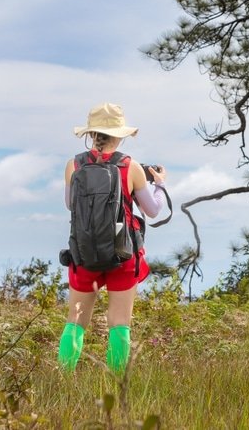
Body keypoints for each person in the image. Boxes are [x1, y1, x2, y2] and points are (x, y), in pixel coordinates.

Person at [57, 102, 168, 374]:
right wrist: (160, 185)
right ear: (119, 135)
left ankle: (62, 378)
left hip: (84, 253)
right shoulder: (131, 168)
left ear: (91, 134)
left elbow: (71, 205)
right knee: (120, 323)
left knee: (76, 320)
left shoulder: (73, 165)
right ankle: (116, 383)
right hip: (122, 252)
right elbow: (152, 211)